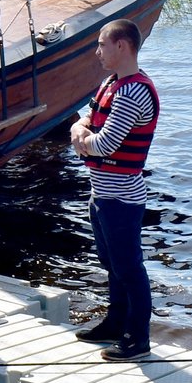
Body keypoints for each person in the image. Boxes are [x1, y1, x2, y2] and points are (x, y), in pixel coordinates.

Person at [69, 18, 160, 362]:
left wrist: (83, 141)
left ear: (122, 46)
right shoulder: (111, 83)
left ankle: (138, 339)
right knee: (112, 263)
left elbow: (105, 143)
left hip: (122, 196)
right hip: (101, 193)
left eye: (102, 45)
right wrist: (82, 135)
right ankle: (114, 322)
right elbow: (84, 121)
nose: (97, 53)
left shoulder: (134, 91)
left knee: (129, 268)